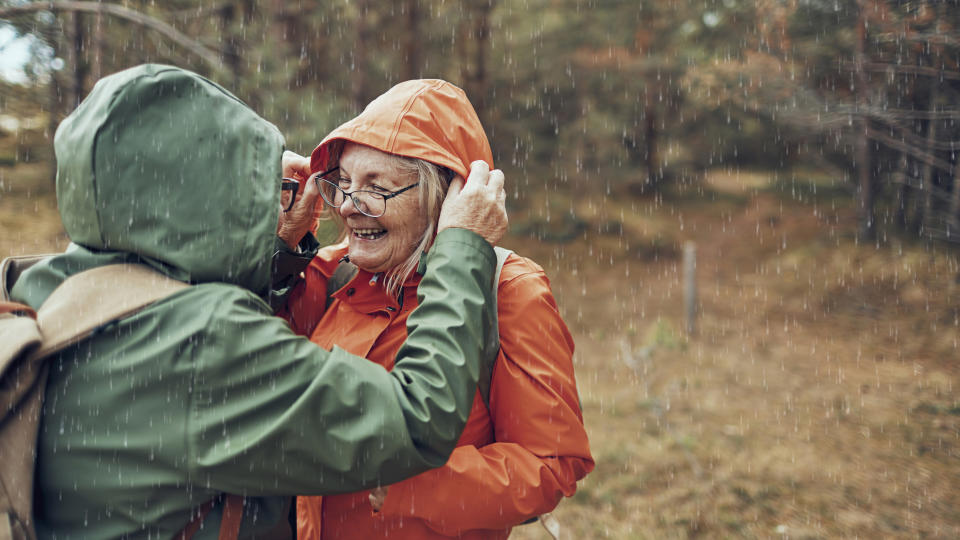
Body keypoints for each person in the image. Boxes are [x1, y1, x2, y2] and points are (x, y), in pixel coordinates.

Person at [9, 64, 509, 539]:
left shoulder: (38, 288)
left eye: (377, 188)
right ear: (211, 192)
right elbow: (419, 418)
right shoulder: (204, 342)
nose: (349, 203)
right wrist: (462, 248)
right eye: (248, 179)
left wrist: (273, 250)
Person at [281, 79, 594, 539]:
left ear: (444, 198)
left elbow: (550, 463)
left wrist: (416, 481)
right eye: (343, 182)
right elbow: (242, 361)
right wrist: (280, 247)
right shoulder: (333, 274)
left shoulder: (507, 291)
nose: (348, 206)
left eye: (377, 188)